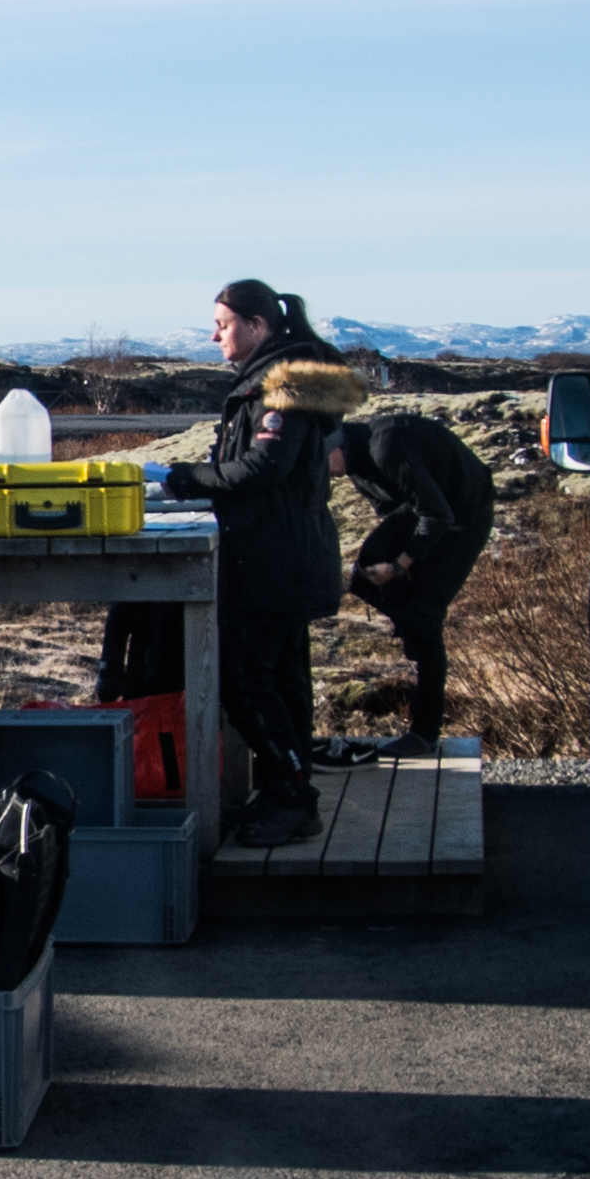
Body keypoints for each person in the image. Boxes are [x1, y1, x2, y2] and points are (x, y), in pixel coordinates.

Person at [152, 278, 363, 847]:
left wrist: (188, 478)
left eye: (223, 323)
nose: (214, 334)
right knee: (283, 679)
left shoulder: (283, 385)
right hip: (284, 555)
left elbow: (263, 468)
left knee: (245, 682)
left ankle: (294, 798)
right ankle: (283, 791)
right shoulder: (278, 378)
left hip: (274, 561)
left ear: (259, 325)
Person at [329, 408, 498, 750]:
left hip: (465, 512)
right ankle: (409, 623)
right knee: (364, 574)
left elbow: (437, 515)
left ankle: (425, 733)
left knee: (425, 616)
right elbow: (391, 512)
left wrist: (403, 564)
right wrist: (394, 565)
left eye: (318, 463)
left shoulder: (386, 449)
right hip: (429, 507)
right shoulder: (356, 464)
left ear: (335, 448)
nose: (321, 474)